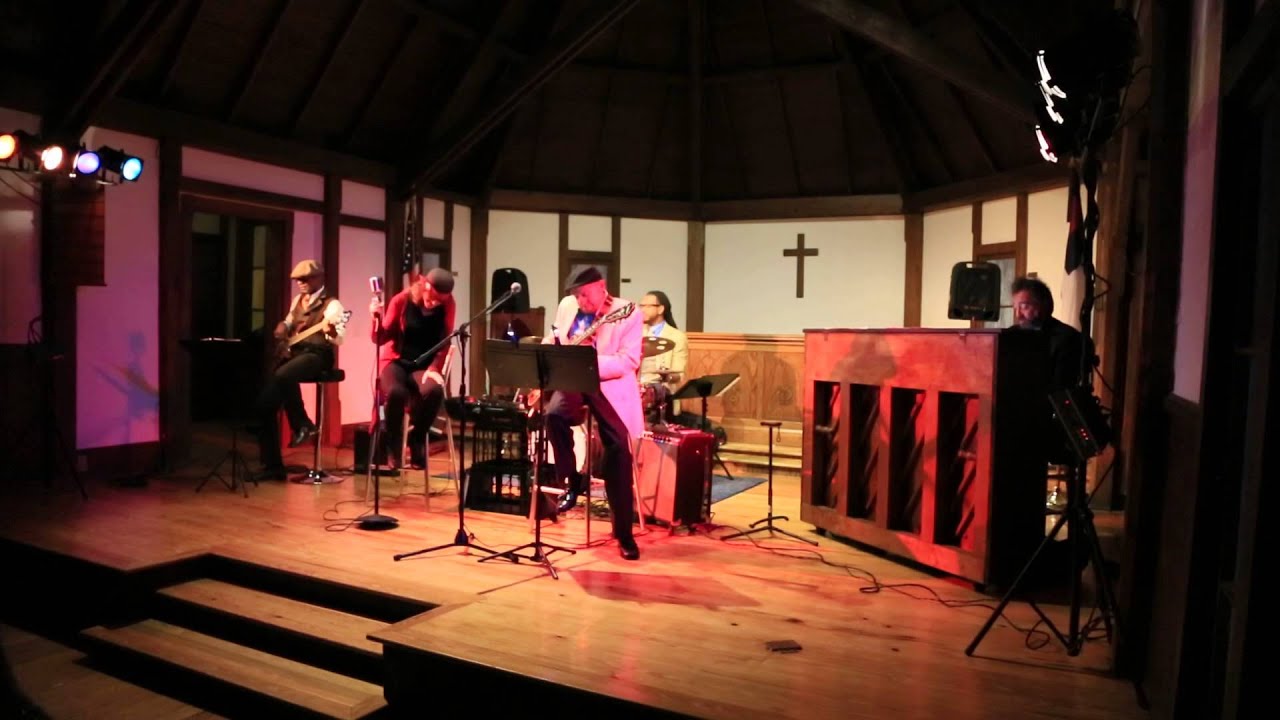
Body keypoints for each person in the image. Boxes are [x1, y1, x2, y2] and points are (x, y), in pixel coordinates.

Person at [534, 267, 645, 560]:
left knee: (619, 449)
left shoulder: (628, 312)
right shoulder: (567, 306)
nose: (580, 300)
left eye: (584, 293)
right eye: (575, 294)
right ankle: (571, 479)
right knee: (554, 415)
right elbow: (555, 337)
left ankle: (624, 534)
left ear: (601, 287)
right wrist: (547, 352)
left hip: (609, 384)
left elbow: (628, 361)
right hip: (573, 380)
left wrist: (588, 360)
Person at [253, 259, 347, 480]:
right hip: (296, 354)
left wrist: (330, 330)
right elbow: (289, 321)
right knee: (264, 406)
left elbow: (339, 338)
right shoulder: (297, 300)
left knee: (283, 375)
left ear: (320, 278)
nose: (301, 283)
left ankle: (302, 423)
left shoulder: (333, 306)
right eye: (298, 280)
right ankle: (273, 467)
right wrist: (283, 327)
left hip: (317, 355)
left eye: (306, 279)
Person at [370, 267, 456, 469]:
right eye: (432, 297)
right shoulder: (402, 300)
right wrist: (375, 317)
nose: (434, 303)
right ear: (424, 285)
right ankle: (393, 445)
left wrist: (435, 368)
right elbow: (380, 338)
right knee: (396, 392)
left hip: (423, 366)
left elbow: (445, 341)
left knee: (435, 391)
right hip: (396, 362)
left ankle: (417, 439)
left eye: (439, 300)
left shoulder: (448, 304)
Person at [1011, 276, 1093, 391]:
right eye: (1015, 308)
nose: (1018, 315)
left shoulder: (1067, 338)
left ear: (1043, 305)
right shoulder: (1010, 335)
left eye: (1024, 307)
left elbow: (1060, 385)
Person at [637, 291, 688, 424]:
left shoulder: (677, 336)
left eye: (647, 306)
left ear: (660, 309)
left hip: (658, 390)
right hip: (633, 386)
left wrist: (667, 376)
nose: (642, 310)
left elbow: (678, 375)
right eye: (641, 306)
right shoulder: (635, 331)